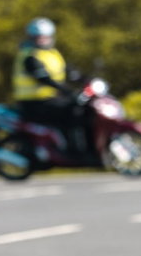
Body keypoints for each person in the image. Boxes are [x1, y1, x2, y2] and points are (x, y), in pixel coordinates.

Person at [11, 17, 87, 156]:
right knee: (75, 110)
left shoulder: (52, 54)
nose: (42, 40)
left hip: (50, 99)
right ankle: (74, 149)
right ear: (31, 38)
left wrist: (87, 80)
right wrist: (69, 92)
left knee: (84, 107)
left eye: (45, 37)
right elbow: (45, 79)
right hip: (34, 102)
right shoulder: (30, 56)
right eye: (38, 37)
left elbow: (69, 71)